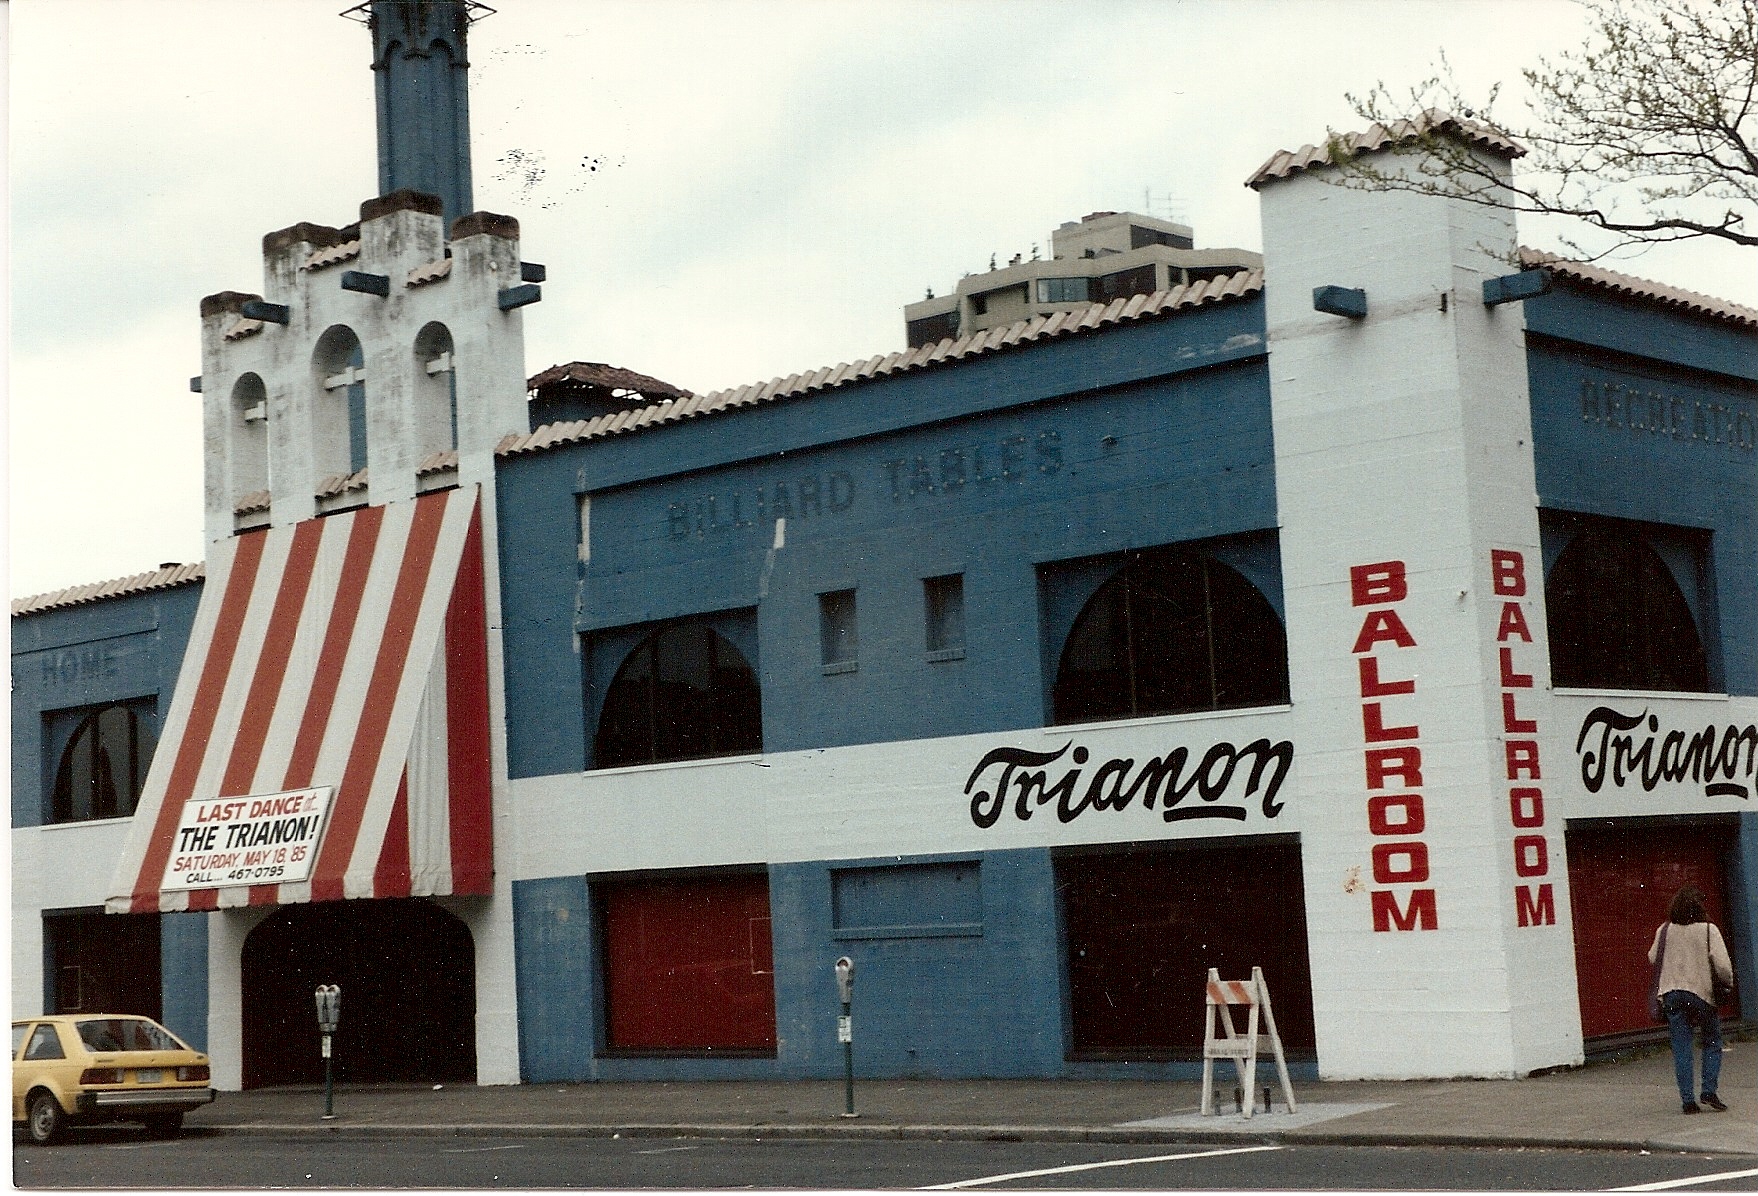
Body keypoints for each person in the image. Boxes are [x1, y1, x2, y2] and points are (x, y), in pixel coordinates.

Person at [1648, 885, 1735, 1114]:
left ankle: (1688, 1101)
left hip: (1672, 994)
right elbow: (1723, 967)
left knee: (1681, 1047)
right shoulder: (1708, 930)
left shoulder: (1665, 930)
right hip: (1700, 993)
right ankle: (1708, 1090)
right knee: (1712, 1040)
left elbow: (1652, 957)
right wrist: (1727, 985)